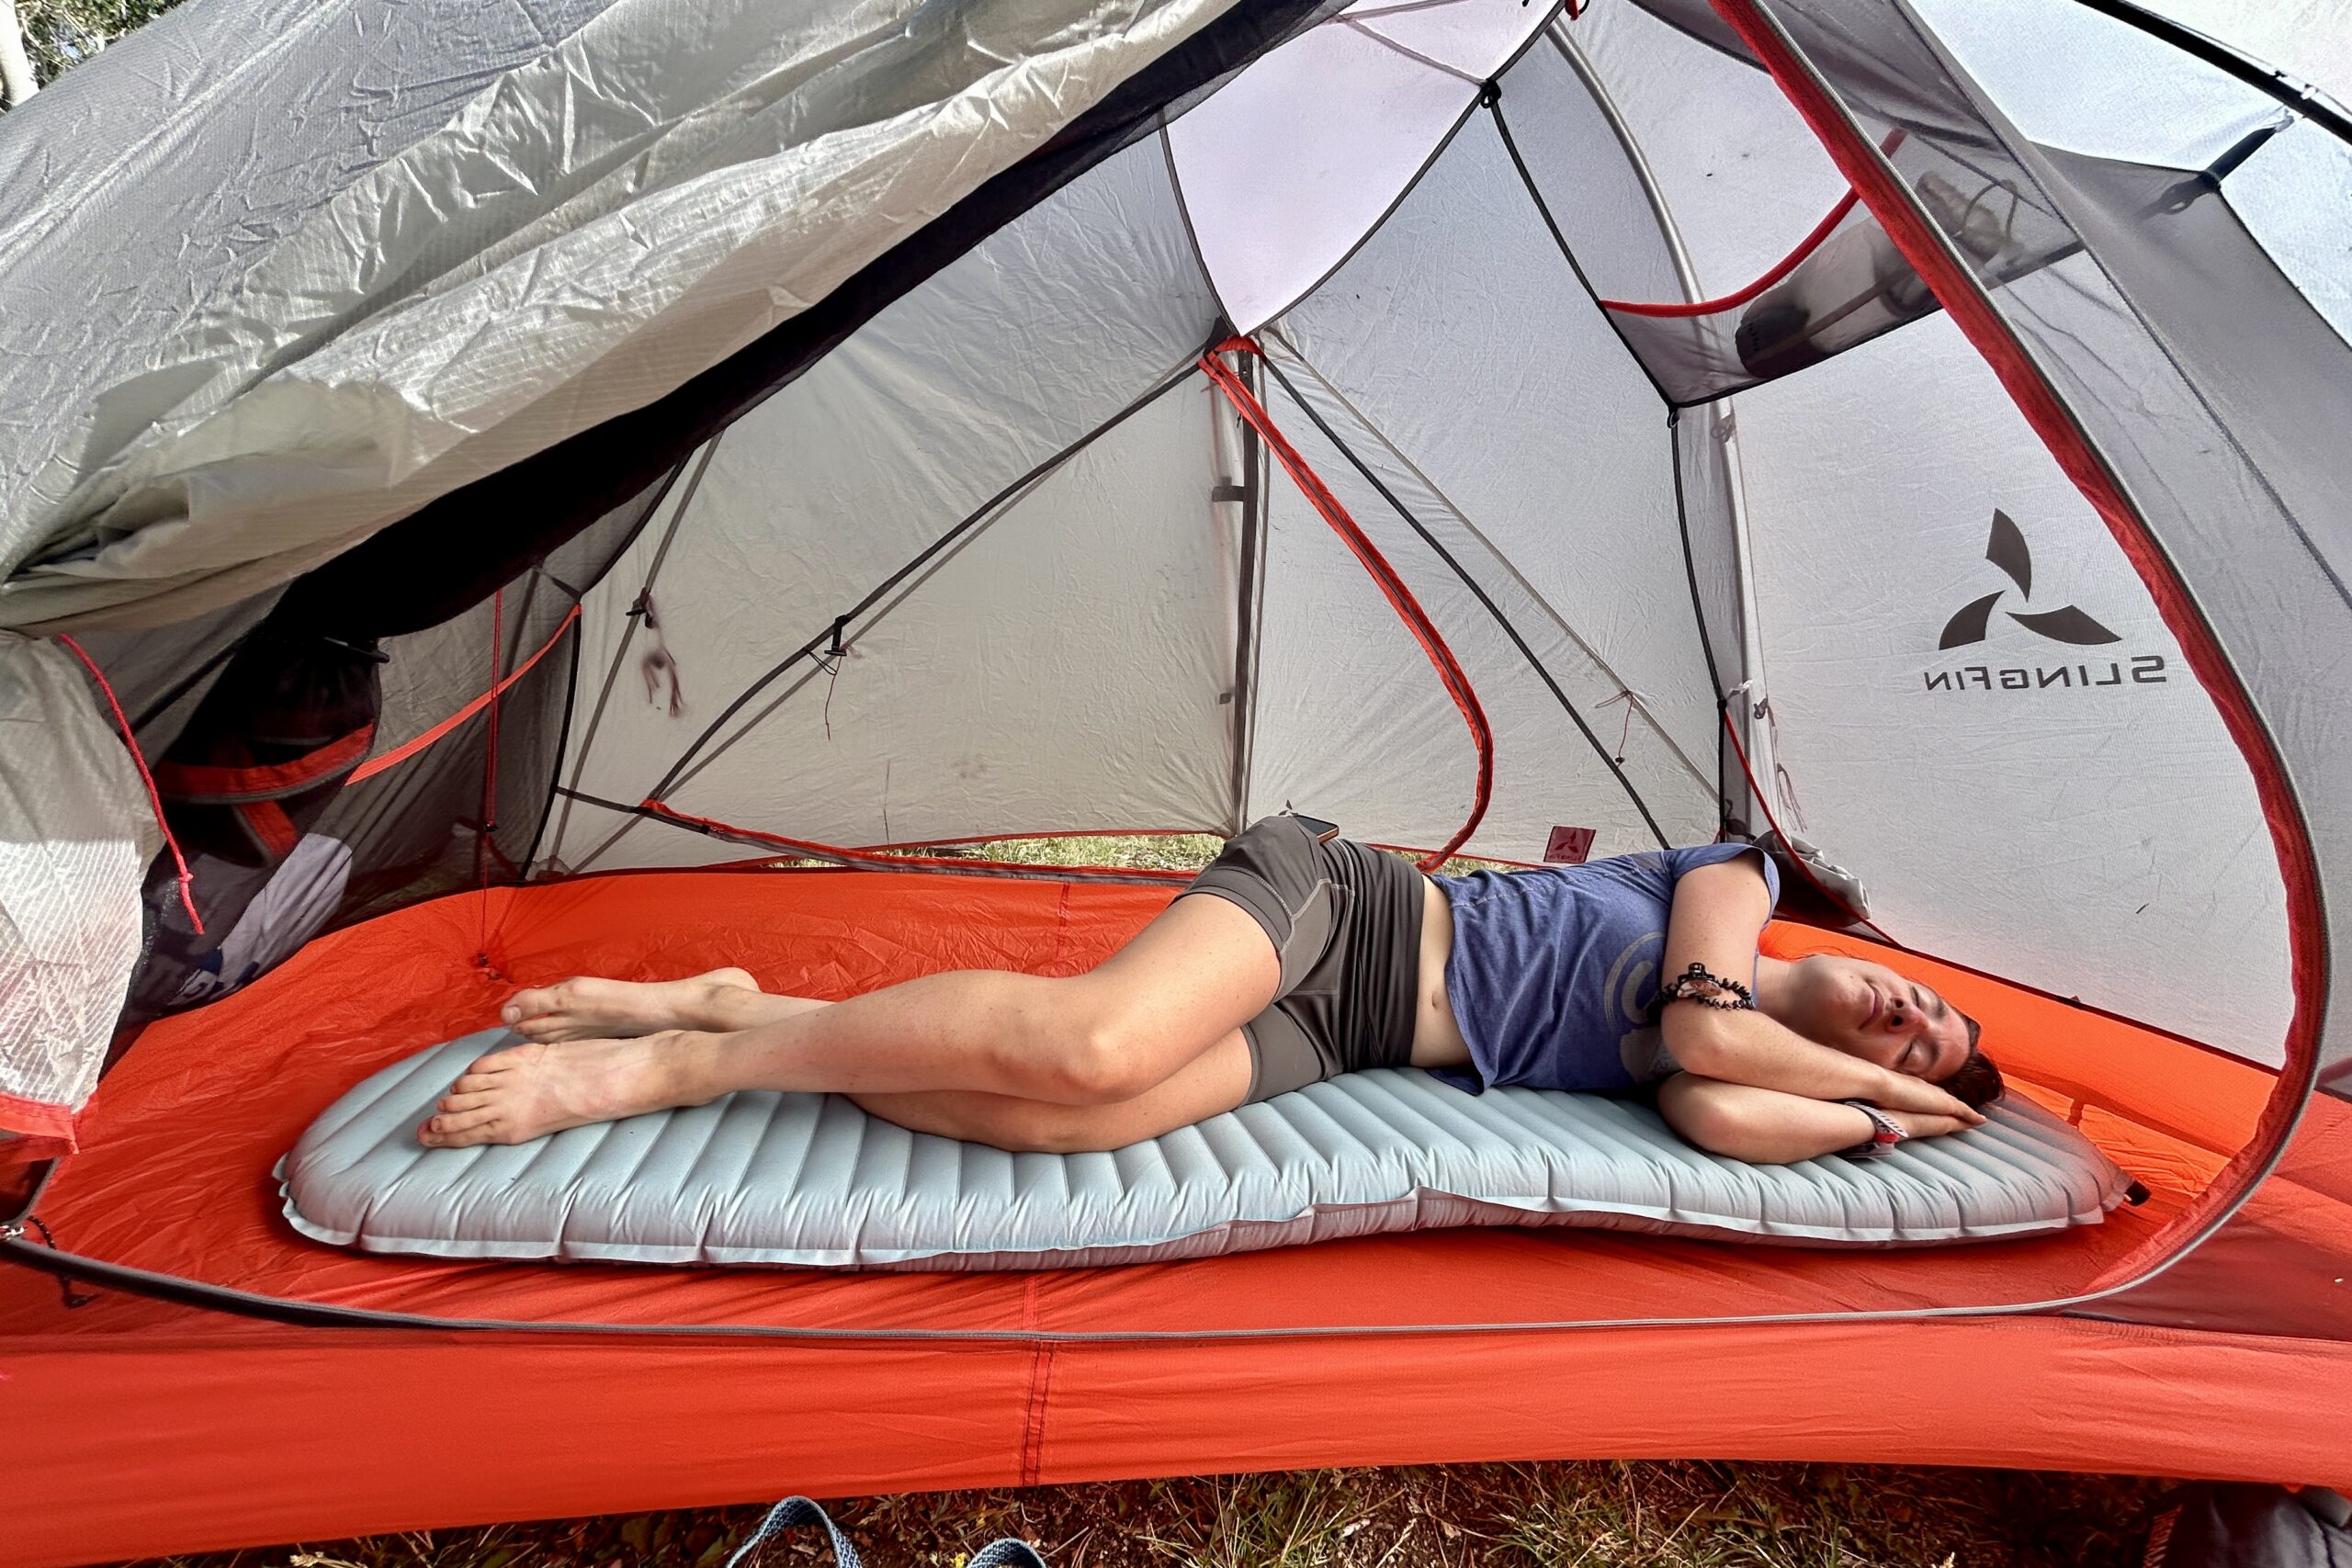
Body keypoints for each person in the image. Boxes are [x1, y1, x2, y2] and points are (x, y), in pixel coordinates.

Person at [415, 816, 2000, 1161]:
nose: (1911, 1023)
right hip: (1342, 909)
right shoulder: (1736, 884)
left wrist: (1894, 1123)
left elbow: (1722, 1107)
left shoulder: (1777, 1076)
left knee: (1078, 1121)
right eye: (1928, 1002)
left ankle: (732, 1007)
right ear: (1873, 954)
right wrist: (1901, 1080)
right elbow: (1710, 1029)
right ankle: (679, 1069)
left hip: (1348, 1033)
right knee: (1092, 1035)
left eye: (1935, 1045)